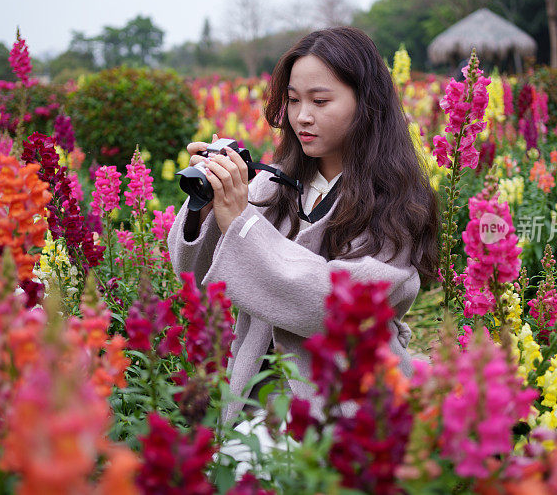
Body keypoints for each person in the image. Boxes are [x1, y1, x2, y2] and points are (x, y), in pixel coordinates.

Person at [167, 26, 441, 427]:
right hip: (255, 401)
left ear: (367, 104)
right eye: (293, 100)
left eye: (321, 100)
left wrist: (242, 224)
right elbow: (193, 271)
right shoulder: (270, 183)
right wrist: (207, 203)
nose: (302, 117)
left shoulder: (400, 203)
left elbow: (335, 306)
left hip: (347, 408)